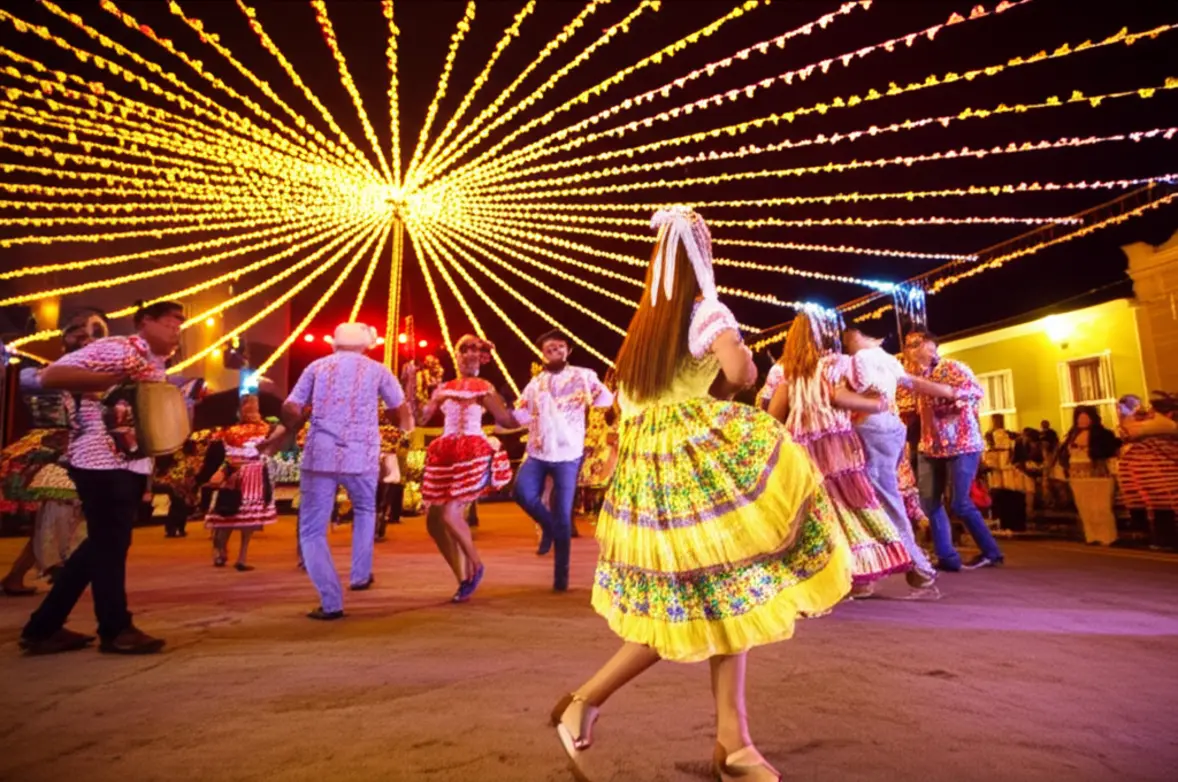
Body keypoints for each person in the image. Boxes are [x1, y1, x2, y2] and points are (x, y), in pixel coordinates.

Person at [551, 207, 852, 782]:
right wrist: (730, 336)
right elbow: (740, 375)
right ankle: (587, 700)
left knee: (724, 594)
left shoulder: (643, 329)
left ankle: (732, 743)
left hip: (648, 479)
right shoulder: (705, 310)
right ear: (698, 256)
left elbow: (632, 406)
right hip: (690, 469)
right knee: (700, 601)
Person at [19, 301, 186, 655]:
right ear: (145, 322)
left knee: (98, 548)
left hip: (127, 464)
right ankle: (116, 629)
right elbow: (51, 376)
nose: (177, 329)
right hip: (99, 460)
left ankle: (43, 627)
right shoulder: (117, 348)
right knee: (109, 548)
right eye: (172, 322)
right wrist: (113, 380)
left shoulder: (156, 362)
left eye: (180, 324)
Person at [268, 323, 413, 620]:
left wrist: (289, 429)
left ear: (335, 342)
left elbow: (292, 407)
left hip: (320, 452)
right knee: (364, 510)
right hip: (361, 454)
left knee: (311, 530)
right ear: (365, 344)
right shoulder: (378, 370)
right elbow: (399, 410)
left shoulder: (316, 367)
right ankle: (360, 575)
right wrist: (397, 425)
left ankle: (331, 600)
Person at [760, 315, 910, 599]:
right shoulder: (841, 365)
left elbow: (774, 418)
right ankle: (858, 576)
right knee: (851, 507)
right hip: (838, 447)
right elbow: (845, 398)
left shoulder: (785, 372)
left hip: (804, 451)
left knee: (814, 512)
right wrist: (877, 403)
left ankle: (819, 575)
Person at [840, 327, 964, 597]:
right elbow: (911, 382)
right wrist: (947, 390)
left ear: (869, 335)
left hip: (873, 429)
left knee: (879, 500)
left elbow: (862, 390)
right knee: (872, 499)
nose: (846, 342)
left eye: (850, 336)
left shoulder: (861, 360)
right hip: (891, 430)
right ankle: (868, 576)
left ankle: (919, 568)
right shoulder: (888, 360)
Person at [2, 309, 108, 597]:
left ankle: (19, 575)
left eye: (90, 334)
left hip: (79, 451)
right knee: (60, 511)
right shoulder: (42, 372)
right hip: (52, 453)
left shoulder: (100, 376)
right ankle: (57, 569)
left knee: (62, 518)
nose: (85, 338)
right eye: (77, 332)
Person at [416, 335, 520, 602]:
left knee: (451, 514)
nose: (469, 356)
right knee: (434, 522)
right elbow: (421, 418)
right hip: (446, 454)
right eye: (464, 351)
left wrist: (532, 411)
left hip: (471, 452)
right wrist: (408, 388)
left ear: (482, 360)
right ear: (457, 356)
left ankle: (476, 565)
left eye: (475, 352)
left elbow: (506, 420)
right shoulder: (444, 388)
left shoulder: (484, 387)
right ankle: (463, 579)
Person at [513, 329, 614, 591]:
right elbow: (520, 413)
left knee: (562, 511)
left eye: (559, 347)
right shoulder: (536, 383)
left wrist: (588, 399)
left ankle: (561, 577)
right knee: (522, 492)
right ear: (543, 354)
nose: (555, 352)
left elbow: (606, 399)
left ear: (568, 351)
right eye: (549, 349)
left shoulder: (583, 375)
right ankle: (549, 526)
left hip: (568, 454)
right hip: (538, 452)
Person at [905, 329, 1005, 571]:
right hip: (929, 446)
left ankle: (992, 553)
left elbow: (974, 392)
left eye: (917, 343)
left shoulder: (952, 368)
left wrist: (930, 387)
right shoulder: (911, 377)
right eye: (907, 345)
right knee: (929, 502)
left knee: (960, 503)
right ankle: (947, 557)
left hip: (963, 444)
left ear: (932, 345)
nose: (911, 349)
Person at [199, 395, 280, 571]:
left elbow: (270, 449)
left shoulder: (266, 428)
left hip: (253, 475)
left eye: (254, 406)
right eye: (247, 406)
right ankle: (220, 550)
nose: (251, 409)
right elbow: (228, 455)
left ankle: (241, 556)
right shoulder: (230, 431)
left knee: (247, 521)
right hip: (236, 474)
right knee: (227, 514)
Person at [1115, 395, 1178, 549]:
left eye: (1152, 411)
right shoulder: (1162, 427)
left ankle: (1165, 539)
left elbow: (1130, 431)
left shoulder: (1163, 425)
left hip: (1160, 471)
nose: (1149, 414)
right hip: (1153, 472)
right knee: (1160, 507)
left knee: (1163, 506)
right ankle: (1161, 538)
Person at [1058, 406, 1121, 545]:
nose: (1083, 420)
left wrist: (1090, 450)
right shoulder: (1072, 434)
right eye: (1080, 417)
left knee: (1101, 506)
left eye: (1086, 417)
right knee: (1084, 506)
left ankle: (1108, 536)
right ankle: (1092, 536)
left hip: (1097, 473)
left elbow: (1108, 449)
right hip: (1077, 475)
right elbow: (1064, 453)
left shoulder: (1102, 434)